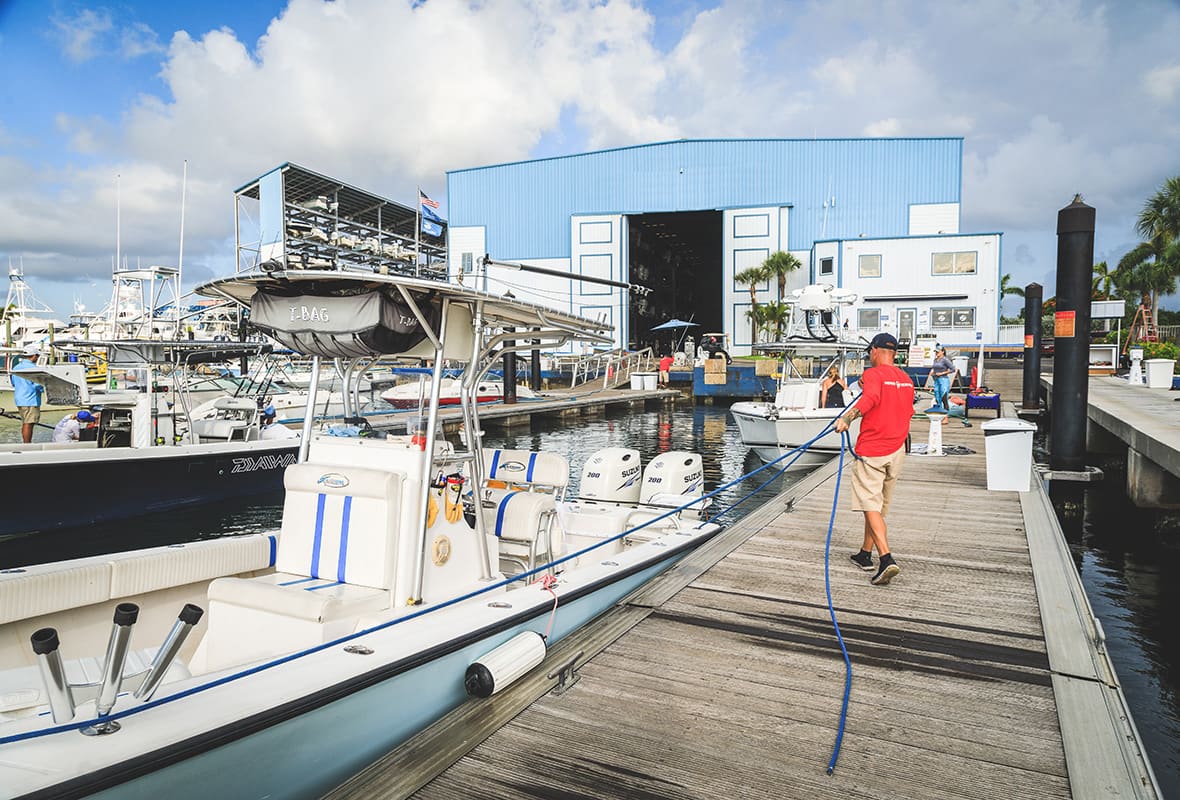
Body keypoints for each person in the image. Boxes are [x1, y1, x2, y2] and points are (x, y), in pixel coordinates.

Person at [834, 332, 915, 586]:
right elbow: (905, 409)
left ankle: (886, 558)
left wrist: (847, 418)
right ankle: (864, 554)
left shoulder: (873, 375)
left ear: (876, 351)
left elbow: (870, 399)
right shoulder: (906, 379)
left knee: (870, 505)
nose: (869, 356)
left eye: (870, 352)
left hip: (873, 451)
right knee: (877, 509)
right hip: (897, 450)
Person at [10, 347, 45, 444]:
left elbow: (13, 382)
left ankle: (26, 443)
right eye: (37, 356)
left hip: (20, 399)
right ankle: (27, 444)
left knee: (25, 422)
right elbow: (38, 385)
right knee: (29, 423)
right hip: (30, 399)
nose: (37, 359)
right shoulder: (33, 368)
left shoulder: (16, 367)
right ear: (34, 356)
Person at [928, 346, 956, 419]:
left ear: (942, 351)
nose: (936, 353)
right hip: (936, 380)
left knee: (944, 398)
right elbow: (934, 368)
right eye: (936, 352)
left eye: (938, 351)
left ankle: (946, 417)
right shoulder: (935, 360)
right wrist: (932, 372)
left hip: (943, 380)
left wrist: (942, 373)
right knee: (937, 398)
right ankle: (940, 415)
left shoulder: (945, 360)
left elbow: (953, 369)